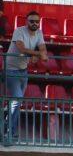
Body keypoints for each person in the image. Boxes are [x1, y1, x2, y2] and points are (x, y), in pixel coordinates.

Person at [4, 10, 46, 139]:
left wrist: (38, 54)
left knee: (18, 100)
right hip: (11, 69)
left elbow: (43, 48)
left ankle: (6, 125)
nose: (34, 23)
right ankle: (10, 131)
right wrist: (37, 54)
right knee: (17, 99)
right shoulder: (19, 31)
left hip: (23, 70)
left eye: (37, 21)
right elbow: (21, 48)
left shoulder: (39, 33)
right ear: (26, 22)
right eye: (31, 21)